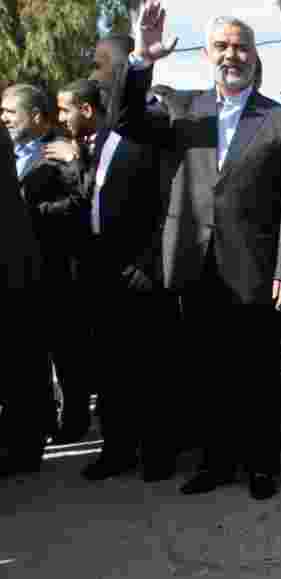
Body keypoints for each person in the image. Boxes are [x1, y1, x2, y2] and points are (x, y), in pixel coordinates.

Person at [121, 2, 281, 500]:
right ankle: (216, 461)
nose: (232, 55)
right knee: (206, 370)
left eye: (241, 46)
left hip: (257, 266)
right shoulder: (183, 111)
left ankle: (263, 464)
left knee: (260, 373)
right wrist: (141, 59)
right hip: (196, 262)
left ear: (254, 54)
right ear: (207, 54)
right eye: (222, 46)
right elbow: (126, 121)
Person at [49, 79, 177, 482]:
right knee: (110, 372)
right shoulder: (91, 149)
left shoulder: (143, 141)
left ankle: (157, 455)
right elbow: (91, 200)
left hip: (140, 275)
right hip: (100, 278)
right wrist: (77, 164)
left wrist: (149, 263)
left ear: (89, 109)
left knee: (150, 372)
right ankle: (117, 450)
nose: (60, 118)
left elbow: (166, 205)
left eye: (64, 109)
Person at [3, 83, 92, 444]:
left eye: (10, 112)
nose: (3, 119)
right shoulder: (7, 153)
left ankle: (75, 418)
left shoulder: (59, 152)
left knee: (66, 349)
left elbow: (79, 204)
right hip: (20, 270)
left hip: (57, 269)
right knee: (30, 350)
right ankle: (40, 420)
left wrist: (27, 215)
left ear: (35, 117)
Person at [0, 126, 48, 476]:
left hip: (10, 261)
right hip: (15, 254)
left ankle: (24, 447)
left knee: (19, 358)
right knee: (23, 358)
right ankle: (25, 444)